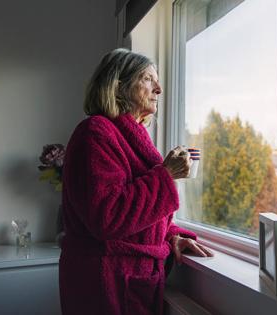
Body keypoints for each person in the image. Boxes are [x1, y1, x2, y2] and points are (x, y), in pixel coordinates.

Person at [59, 48, 213, 315]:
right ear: (118, 86)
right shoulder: (94, 133)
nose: (159, 89)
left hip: (133, 278)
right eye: (148, 78)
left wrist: (172, 235)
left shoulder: (131, 136)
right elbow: (107, 217)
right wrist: (166, 175)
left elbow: (141, 217)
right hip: (101, 282)